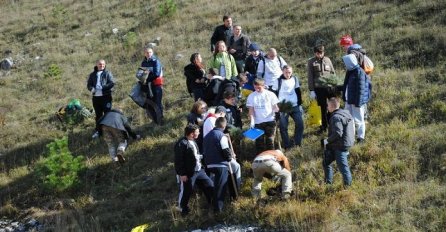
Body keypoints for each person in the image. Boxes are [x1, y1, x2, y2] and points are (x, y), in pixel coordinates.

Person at [174, 124, 214, 216]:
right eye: (197, 132)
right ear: (192, 134)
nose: (199, 133)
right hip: (188, 173)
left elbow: (195, 155)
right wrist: (182, 174)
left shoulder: (193, 141)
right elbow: (178, 160)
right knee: (186, 192)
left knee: (209, 185)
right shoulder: (181, 144)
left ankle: (212, 204)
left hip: (199, 170)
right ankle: (183, 210)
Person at [203, 117, 233, 213]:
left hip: (209, 164)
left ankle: (213, 206)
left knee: (216, 186)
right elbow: (225, 149)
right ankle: (218, 210)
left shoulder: (207, 136)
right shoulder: (221, 135)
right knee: (221, 187)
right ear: (224, 125)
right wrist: (229, 158)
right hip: (220, 164)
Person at [322, 97, 354, 187]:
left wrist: (326, 141)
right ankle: (328, 183)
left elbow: (337, 133)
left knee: (343, 167)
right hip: (343, 143)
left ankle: (347, 188)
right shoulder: (345, 113)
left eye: (328, 105)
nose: (327, 107)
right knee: (326, 162)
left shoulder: (336, 117)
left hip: (340, 145)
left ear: (332, 106)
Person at [307, 45, 336, 133]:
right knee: (322, 108)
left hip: (329, 87)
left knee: (333, 106)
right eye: (317, 53)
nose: (319, 55)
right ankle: (324, 127)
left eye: (321, 53)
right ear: (315, 53)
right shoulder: (311, 62)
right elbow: (310, 76)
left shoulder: (327, 60)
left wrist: (335, 85)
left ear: (323, 52)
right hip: (319, 89)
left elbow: (333, 72)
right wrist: (312, 90)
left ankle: (332, 123)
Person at [246, 78, 280, 154]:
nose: (257, 89)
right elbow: (251, 110)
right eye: (255, 87)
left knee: (270, 141)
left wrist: (277, 111)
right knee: (259, 143)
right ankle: (260, 159)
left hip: (270, 121)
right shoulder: (251, 96)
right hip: (258, 122)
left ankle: (271, 158)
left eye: (259, 87)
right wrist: (252, 121)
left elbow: (275, 107)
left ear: (263, 86)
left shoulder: (270, 94)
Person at [342, 54, 370, 143]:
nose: (344, 64)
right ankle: (351, 137)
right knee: (349, 119)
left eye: (345, 63)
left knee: (359, 120)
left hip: (357, 101)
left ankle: (361, 137)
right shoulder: (350, 71)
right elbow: (346, 85)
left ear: (350, 62)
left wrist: (358, 103)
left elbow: (361, 90)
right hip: (349, 100)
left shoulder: (359, 72)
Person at [87, 59, 115, 139]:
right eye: (100, 64)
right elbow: (89, 85)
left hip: (106, 97)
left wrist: (103, 87)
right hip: (96, 98)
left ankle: (110, 131)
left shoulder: (107, 73)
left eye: (103, 64)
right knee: (98, 115)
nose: (102, 65)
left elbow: (112, 83)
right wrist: (92, 89)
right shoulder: (92, 75)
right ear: (96, 65)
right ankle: (99, 131)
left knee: (107, 114)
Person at [277, 66, 304, 148]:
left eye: (289, 72)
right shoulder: (278, 81)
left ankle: (297, 142)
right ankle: (286, 145)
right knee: (283, 127)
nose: (288, 74)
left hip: (295, 106)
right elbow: (274, 94)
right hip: (283, 107)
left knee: (300, 124)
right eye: (286, 72)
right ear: (282, 71)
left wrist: (300, 104)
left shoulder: (295, 79)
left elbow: (298, 91)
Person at [137, 47, 164, 122]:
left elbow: (156, 74)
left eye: (150, 52)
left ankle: (160, 120)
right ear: (144, 53)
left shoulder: (156, 61)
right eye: (147, 52)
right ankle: (154, 120)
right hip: (147, 86)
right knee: (150, 104)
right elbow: (141, 74)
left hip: (156, 85)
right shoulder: (143, 62)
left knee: (157, 102)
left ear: (152, 53)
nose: (148, 54)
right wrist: (141, 78)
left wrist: (146, 78)